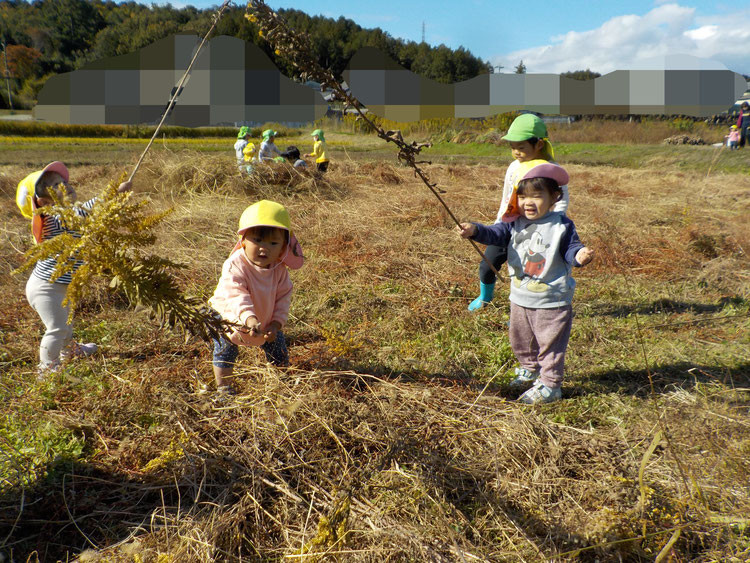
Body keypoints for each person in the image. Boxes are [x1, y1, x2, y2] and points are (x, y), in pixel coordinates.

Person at [456, 162, 593, 404]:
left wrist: (579, 256)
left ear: (554, 197)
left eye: (537, 196)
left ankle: (551, 385)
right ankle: (529, 370)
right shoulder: (514, 222)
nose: (528, 202)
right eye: (523, 197)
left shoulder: (561, 225)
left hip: (552, 299)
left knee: (550, 343)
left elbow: (571, 248)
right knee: (520, 338)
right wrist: (475, 230)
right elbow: (495, 234)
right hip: (520, 296)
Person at [15, 161, 133, 375]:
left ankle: (70, 351)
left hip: (59, 285)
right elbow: (85, 213)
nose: (66, 185)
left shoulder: (66, 214)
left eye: (64, 181)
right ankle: (48, 370)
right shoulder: (53, 219)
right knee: (57, 329)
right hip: (46, 289)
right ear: (44, 202)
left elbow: (82, 211)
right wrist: (112, 194)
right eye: (57, 185)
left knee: (66, 323)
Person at [467, 113, 569, 311]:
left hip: (536, 233)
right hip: (508, 226)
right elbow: (507, 197)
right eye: (512, 147)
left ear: (539, 144)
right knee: (488, 264)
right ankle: (484, 297)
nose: (516, 152)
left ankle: (527, 310)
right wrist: (499, 222)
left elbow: (561, 202)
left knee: (527, 272)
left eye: (521, 147)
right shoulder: (514, 167)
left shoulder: (551, 171)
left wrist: (553, 228)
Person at [208, 200, 304, 397]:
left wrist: (276, 323)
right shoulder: (235, 265)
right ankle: (224, 387)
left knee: (277, 346)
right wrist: (249, 318)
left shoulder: (279, 270)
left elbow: (283, 298)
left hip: (263, 317)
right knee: (226, 348)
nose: (264, 248)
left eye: (273, 243)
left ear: (283, 248)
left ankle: (281, 381)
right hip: (229, 316)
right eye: (257, 240)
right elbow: (235, 294)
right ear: (243, 240)